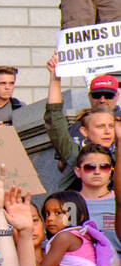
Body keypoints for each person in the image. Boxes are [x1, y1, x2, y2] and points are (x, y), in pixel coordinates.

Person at [46, 55, 118, 189]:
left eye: (111, 126)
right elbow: (54, 117)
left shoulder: (118, 155)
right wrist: (55, 78)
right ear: (84, 131)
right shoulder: (75, 154)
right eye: (100, 127)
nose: (107, 131)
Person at [39, 189, 120, 266]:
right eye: (47, 214)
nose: (50, 218)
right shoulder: (81, 234)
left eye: (58, 213)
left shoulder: (64, 237)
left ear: (78, 216)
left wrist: (28, 248)